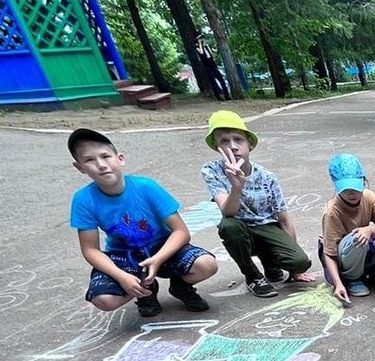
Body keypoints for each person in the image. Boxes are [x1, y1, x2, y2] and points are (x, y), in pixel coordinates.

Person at [68, 128, 217, 317]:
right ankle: (145, 291)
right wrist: (121, 277)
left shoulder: (146, 187)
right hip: (124, 255)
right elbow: (90, 249)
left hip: (162, 248)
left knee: (206, 264)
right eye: (89, 160)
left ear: (120, 159)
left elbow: (180, 231)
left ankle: (180, 286)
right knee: (104, 300)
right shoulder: (83, 199)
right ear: (80, 167)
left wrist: (158, 258)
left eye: (105, 156)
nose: (101, 165)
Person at [201, 110, 314, 298]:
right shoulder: (212, 171)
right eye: (224, 141)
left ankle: (270, 261)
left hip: (267, 227)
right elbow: (228, 212)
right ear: (217, 147)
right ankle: (252, 275)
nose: (233, 147)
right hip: (240, 228)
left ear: (250, 144)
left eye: (238, 140)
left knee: (300, 262)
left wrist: (294, 271)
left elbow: (284, 219)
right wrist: (237, 186)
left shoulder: (267, 177)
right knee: (229, 226)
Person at [317, 153, 375, 303]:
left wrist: (370, 230)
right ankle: (353, 279)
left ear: (363, 182)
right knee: (357, 238)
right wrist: (338, 284)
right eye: (345, 189)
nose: (351, 193)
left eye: (355, 187)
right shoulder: (331, 211)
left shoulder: (368, 196)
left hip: (365, 250)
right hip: (345, 257)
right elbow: (329, 254)